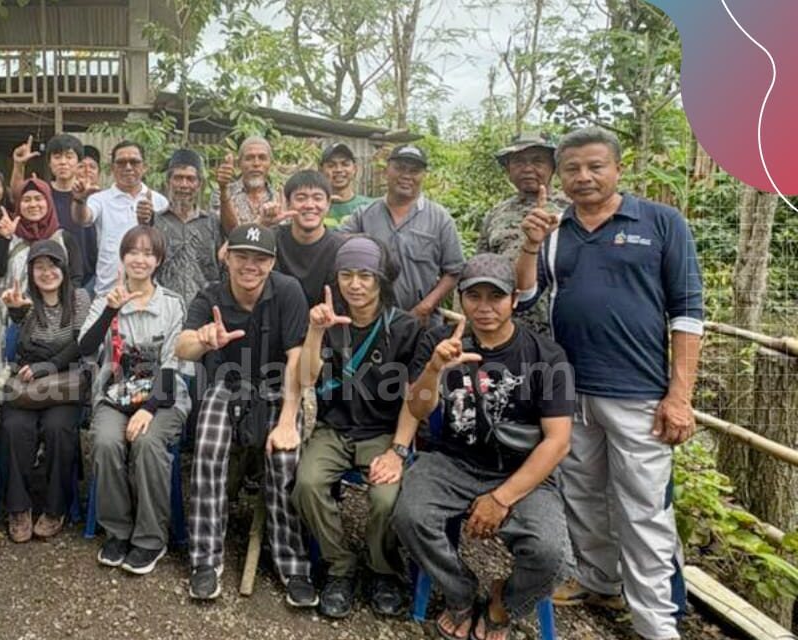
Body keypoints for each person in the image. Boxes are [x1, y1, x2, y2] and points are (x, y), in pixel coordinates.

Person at [515, 127, 704, 640]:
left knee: (644, 508)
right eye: (572, 168)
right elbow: (526, 298)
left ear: (619, 168)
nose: (584, 177)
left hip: (639, 390)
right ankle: (599, 580)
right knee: (582, 493)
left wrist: (679, 396)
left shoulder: (662, 223)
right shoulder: (555, 230)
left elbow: (688, 313)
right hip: (570, 388)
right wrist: (530, 245)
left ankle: (656, 624)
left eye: (595, 166)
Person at [393, 253, 574, 640]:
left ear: (514, 300)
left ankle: (501, 603)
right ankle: (459, 593)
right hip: (452, 460)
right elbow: (417, 407)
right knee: (409, 515)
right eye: (475, 296)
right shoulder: (439, 341)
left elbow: (557, 442)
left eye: (497, 296)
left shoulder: (545, 355)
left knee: (551, 554)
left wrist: (503, 497)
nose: (485, 307)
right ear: (461, 299)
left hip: (521, 470)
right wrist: (433, 371)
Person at [175, 223, 315, 607]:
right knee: (207, 451)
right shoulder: (211, 295)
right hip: (228, 385)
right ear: (227, 256)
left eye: (259, 258)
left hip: (279, 386)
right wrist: (203, 339)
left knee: (286, 461)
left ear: (271, 262)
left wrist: (288, 421)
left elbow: (297, 360)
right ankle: (205, 561)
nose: (249, 265)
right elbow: (182, 346)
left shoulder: (287, 291)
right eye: (241, 256)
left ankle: (292, 563)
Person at [291, 237, 422, 619]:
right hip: (334, 429)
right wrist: (316, 332)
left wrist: (398, 451)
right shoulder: (325, 321)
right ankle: (340, 566)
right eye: (347, 275)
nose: (356, 284)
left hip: (383, 432)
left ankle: (383, 570)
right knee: (307, 484)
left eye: (366, 275)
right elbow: (305, 377)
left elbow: (415, 398)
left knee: (385, 499)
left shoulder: (405, 327)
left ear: (381, 280)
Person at [80, 226, 190, 575]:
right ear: (123, 256)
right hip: (114, 395)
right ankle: (117, 530)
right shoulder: (105, 299)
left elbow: (174, 366)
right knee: (107, 441)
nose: (140, 260)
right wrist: (109, 312)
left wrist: (147, 410)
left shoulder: (171, 305)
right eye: (133, 252)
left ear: (158, 261)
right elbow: (85, 349)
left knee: (147, 442)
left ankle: (150, 539)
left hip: (162, 397)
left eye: (148, 253)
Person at [0, 240, 91, 543]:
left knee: (58, 428)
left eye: (52, 265)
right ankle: (18, 508)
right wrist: (17, 313)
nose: (47, 272)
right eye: (39, 267)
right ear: (31, 272)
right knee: (13, 427)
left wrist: (48, 366)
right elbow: (19, 339)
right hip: (28, 381)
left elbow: (80, 344)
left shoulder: (79, 298)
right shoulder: (24, 300)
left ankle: (55, 507)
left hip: (64, 382)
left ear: (63, 268)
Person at [339, 144, 464, 327]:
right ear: (386, 171)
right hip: (372, 323)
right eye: (399, 168)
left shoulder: (440, 218)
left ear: (423, 176)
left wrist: (424, 308)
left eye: (414, 171)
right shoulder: (364, 215)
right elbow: (334, 243)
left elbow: (454, 271)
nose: (406, 176)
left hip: (422, 323)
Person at [475, 133, 570, 334]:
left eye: (537, 161)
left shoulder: (572, 210)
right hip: (504, 327)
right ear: (508, 170)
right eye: (518, 162)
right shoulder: (496, 214)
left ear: (553, 167)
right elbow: (481, 266)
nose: (528, 169)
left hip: (558, 326)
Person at [0, 177, 86, 340]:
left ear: (48, 202)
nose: (33, 204)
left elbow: (75, 278)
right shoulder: (9, 233)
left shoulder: (63, 238)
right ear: (19, 204)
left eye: (39, 198)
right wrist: (3, 238)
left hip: (54, 319)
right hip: (11, 314)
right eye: (26, 200)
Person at [73, 141, 169, 298]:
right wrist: (79, 201)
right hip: (108, 292)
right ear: (112, 169)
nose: (128, 167)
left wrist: (150, 221)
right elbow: (83, 219)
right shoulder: (100, 199)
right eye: (121, 162)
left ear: (145, 167)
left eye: (134, 162)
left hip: (147, 294)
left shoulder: (159, 202)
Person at [12, 134, 98, 289]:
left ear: (78, 163)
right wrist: (19, 166)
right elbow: (17, 194)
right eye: (57, 157)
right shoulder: (41, 196)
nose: (63, 162)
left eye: (69, 157)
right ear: (50, 163)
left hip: (88, 276)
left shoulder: (93, 195)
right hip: (48, 276)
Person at [153, 149, 223, 306]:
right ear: (168, 181)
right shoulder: (155, 222)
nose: (184, 185)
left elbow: (222, 267)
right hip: (163, 307)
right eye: (178, 178)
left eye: (190, 179)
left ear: (199, 185)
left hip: (204, 307)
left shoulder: (212, 223)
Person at [272, 170, 348, 307]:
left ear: (328, 204)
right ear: (288, 203)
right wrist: (262, 222)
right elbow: (225, 255)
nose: (310, 205)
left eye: (317, 198)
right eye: (301, 198)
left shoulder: (340, 248)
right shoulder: (273, 239)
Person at [213, 136, 283, 228]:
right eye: (249, 158)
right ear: (239, 164)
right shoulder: (221, 193)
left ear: (271, 164)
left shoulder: (278, 198)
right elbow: (230, 231)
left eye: (262, 158)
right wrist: (224, 189)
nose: (256, 164)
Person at [320, 142, 374, 227]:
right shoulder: (314, 208)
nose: (338, 170)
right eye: (331, 165)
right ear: (321, 170)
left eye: (345, 164)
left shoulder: (370, 206)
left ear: (355, 169)